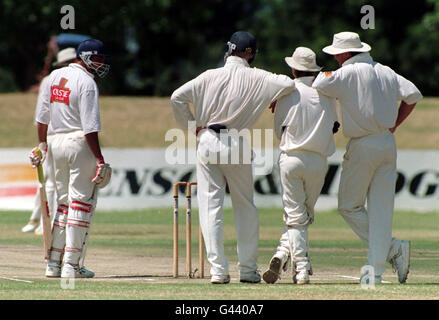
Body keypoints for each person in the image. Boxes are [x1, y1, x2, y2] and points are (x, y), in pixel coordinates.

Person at [171, 31, 296, 284]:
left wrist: (192, 127)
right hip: (236, 142)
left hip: (207, 140)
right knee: (245, 206)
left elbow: (177, 97)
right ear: (250, 53)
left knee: (210, 206)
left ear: (228, 50)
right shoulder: (259, 77)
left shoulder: (209, 76)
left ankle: (218, 270)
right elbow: (289, 84)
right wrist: (274, 97)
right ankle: (248, 270)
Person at [312, 31, 423, 284]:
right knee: (382, 209)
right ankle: (377, 270)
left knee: (348, 206)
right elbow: (414, 95)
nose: (335, 59)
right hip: (387, 142)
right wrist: (395, 123)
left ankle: (393, 248)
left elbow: (319, 83)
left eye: (336, 54)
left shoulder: (347, 72)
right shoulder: (384, 70)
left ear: (344, 53)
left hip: (362, 144)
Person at [29, 39, 112, 278]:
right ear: (85, 57)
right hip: (78, 142)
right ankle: (71, 265)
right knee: (80, 204)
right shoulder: (86, 82)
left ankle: (53, 263)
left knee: (64, 203)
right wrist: (99, 158)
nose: (101, 63)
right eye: (98, 58)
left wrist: (42, 145)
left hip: (56, 143)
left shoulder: (52, 78)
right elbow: (90, 128)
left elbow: (42, 117)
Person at [262, 47, 338, 285]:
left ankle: (300, 268)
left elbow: (278, 132)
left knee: (296, 218)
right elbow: (335, 126)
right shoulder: (327, 93)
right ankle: (283, 253)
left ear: (293, 69)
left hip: (291, 159)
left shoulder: (287, 93)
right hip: (318, 161)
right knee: (303, 216)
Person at [22, 48, 78, 234]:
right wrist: (42, 141)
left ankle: (42, 221)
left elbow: (41, 114)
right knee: (53, 182)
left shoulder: (53, 79)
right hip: (59, 135)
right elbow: (42, 112)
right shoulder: (76, 78)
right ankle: (44, 221)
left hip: (55, 135)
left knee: (53, 181)